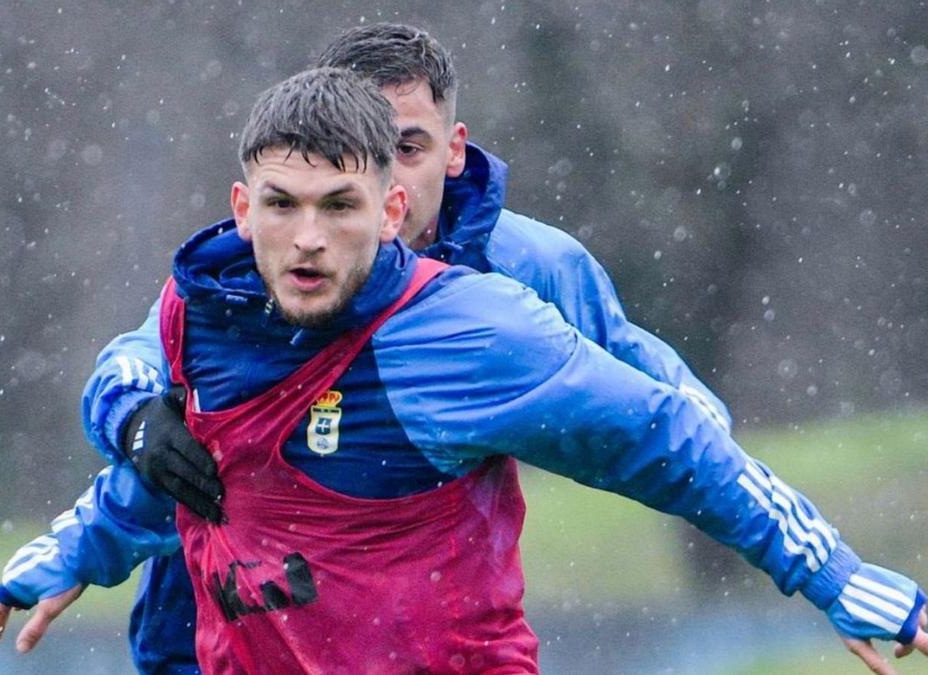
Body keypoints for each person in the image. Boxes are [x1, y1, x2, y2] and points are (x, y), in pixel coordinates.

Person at [0, 67, 928, 675]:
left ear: (396, 202)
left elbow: (666, 430)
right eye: (282, 205)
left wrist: (828, 570)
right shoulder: (207, 303)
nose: (307, 238)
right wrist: (81, 543)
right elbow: (193, 462)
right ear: (241, 207)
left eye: (340, 206)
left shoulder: (478, 321)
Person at [61, 24, 739, 673]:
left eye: (407, 148)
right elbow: (131, 365)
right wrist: (134, 420)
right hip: (203, 640)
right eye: (357, 151)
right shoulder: (253, 267)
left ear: (455, 148)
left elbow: (655, 399)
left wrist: (743, 489)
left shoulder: (525, 268)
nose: (389, 173)